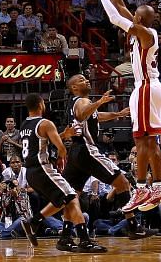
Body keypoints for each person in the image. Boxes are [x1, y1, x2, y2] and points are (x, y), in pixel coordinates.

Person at [84, 0, 161, 212]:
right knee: (150, 141)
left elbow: (114, 16)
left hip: (146, 87)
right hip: (150, 88)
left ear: (139, 19)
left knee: (141, 140)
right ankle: (158, 186)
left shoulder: (145, 33)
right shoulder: (142, 30)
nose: (130, 15)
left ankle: (142, 187)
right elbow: (120, 8)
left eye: (135, 15)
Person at [63, 75, 153, 238]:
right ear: (74, 87)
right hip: (86, 149)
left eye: (86, 78)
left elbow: (96, 116)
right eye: (82, 80)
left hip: (75, 153)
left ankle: (65, 235)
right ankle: (133, 227)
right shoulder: (81, 101)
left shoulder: (76, 103)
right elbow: (82, 114)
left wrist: (117, 114)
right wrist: (100, 102)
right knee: (123, 182)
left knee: (72, 195)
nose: (87, 80)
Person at [19, 93, 106, 253]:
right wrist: (62, 156)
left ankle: (40, 224)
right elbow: (61, 148)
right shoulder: (45, 123)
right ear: (40, 104)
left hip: (30, 172)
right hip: (43, 168)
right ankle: (84, 240)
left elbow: (40, 143)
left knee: (66, 199)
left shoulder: (24, 125)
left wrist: (64, 134)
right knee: (72, 197)